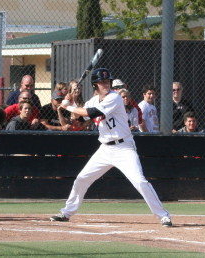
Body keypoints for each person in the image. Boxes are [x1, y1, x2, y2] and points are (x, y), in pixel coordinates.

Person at [49, 68, 172, 227]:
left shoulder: (114, 98)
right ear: (94, 85)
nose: (106, 84)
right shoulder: (93, 101)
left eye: (107, 81)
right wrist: (70, 101)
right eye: (102, 82)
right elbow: (78, 117)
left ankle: (163, 215)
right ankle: (66, 212)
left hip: (124, 147)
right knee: (82, 178)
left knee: (139, 181)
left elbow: (91, 113)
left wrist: (68, 106)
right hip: (105, 148)